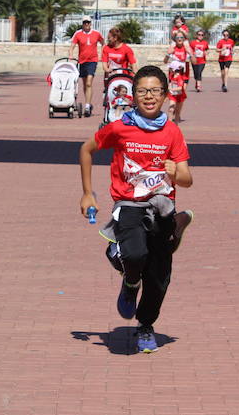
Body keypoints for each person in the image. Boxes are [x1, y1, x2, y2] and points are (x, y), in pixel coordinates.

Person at [78, 65, 193, 354]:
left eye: (155, 91)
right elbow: (86, 149)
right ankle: (130, 282)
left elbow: (187, 179)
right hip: (129, 204)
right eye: (142, 91)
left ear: (166, 96)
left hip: (162, 206)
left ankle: (145, 326)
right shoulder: (120, 127)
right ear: (133, 96)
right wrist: (87, 193)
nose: (149, 96)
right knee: (135, 255)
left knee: (158, 276)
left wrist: (175, 173)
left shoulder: (172, 132)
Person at [69, 16, 105, 117]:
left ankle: (88, 106)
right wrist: (71, 55)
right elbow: (72, 46)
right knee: (85, 84)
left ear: (90, 23)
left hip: (92, 61)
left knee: (89, 83)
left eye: (88, 22)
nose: (86, 24)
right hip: (82, 61)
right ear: (82, 23)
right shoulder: (78, 34)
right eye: (85, 22)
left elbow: (103, 43)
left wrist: (103, 55)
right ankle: (88, 103)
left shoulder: (96, 33)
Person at [166, 58, 187, 122]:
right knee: (171, 109)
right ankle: (169, 122)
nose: (169, 70)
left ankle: (176, 124)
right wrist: (169, 88)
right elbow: (170, 83)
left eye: (171, 68)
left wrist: (171, 89)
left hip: (180, 95)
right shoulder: (171, 75)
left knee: (177, 111)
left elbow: (180, 88)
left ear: (174, 69)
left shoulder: (179, 77)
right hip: (173, 95)